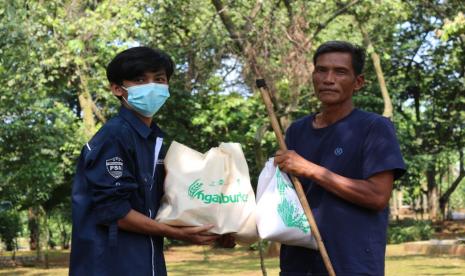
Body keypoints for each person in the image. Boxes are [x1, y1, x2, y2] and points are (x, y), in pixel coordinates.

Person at [70, 46, 228, 276]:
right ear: (117, 89)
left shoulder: (152, 139)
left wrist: (220, 227)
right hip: (111, 266)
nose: (151, 86)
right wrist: (178, 234)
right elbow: (114, 211)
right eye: (140, 80)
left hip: (148, 264)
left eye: (159, 79)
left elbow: (171, 202)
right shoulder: (114, 137)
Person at [274, 41, 406, 275]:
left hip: (351, 265)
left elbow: (377, 196)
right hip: (298, 265)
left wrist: (311, 170)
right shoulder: (296, 131)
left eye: (340, 72)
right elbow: (282, 198)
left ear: (358, 83)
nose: (328, 79)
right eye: (321, 70)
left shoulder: (374, 128)